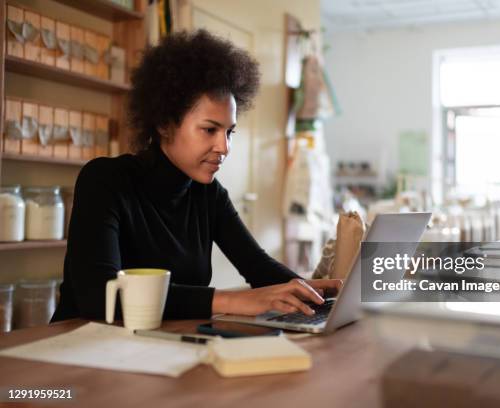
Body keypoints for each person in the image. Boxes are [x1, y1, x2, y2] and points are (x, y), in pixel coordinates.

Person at [51, 30, 342, 323]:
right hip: (79, 348)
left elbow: (258, 267)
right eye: (209, 130)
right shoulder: (104, 180)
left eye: (229, 132)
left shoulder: (209, 195)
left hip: (156, 347)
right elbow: (99, 296)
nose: (224, 147)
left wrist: (308, 293)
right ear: (165, 123)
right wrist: (230, 300)